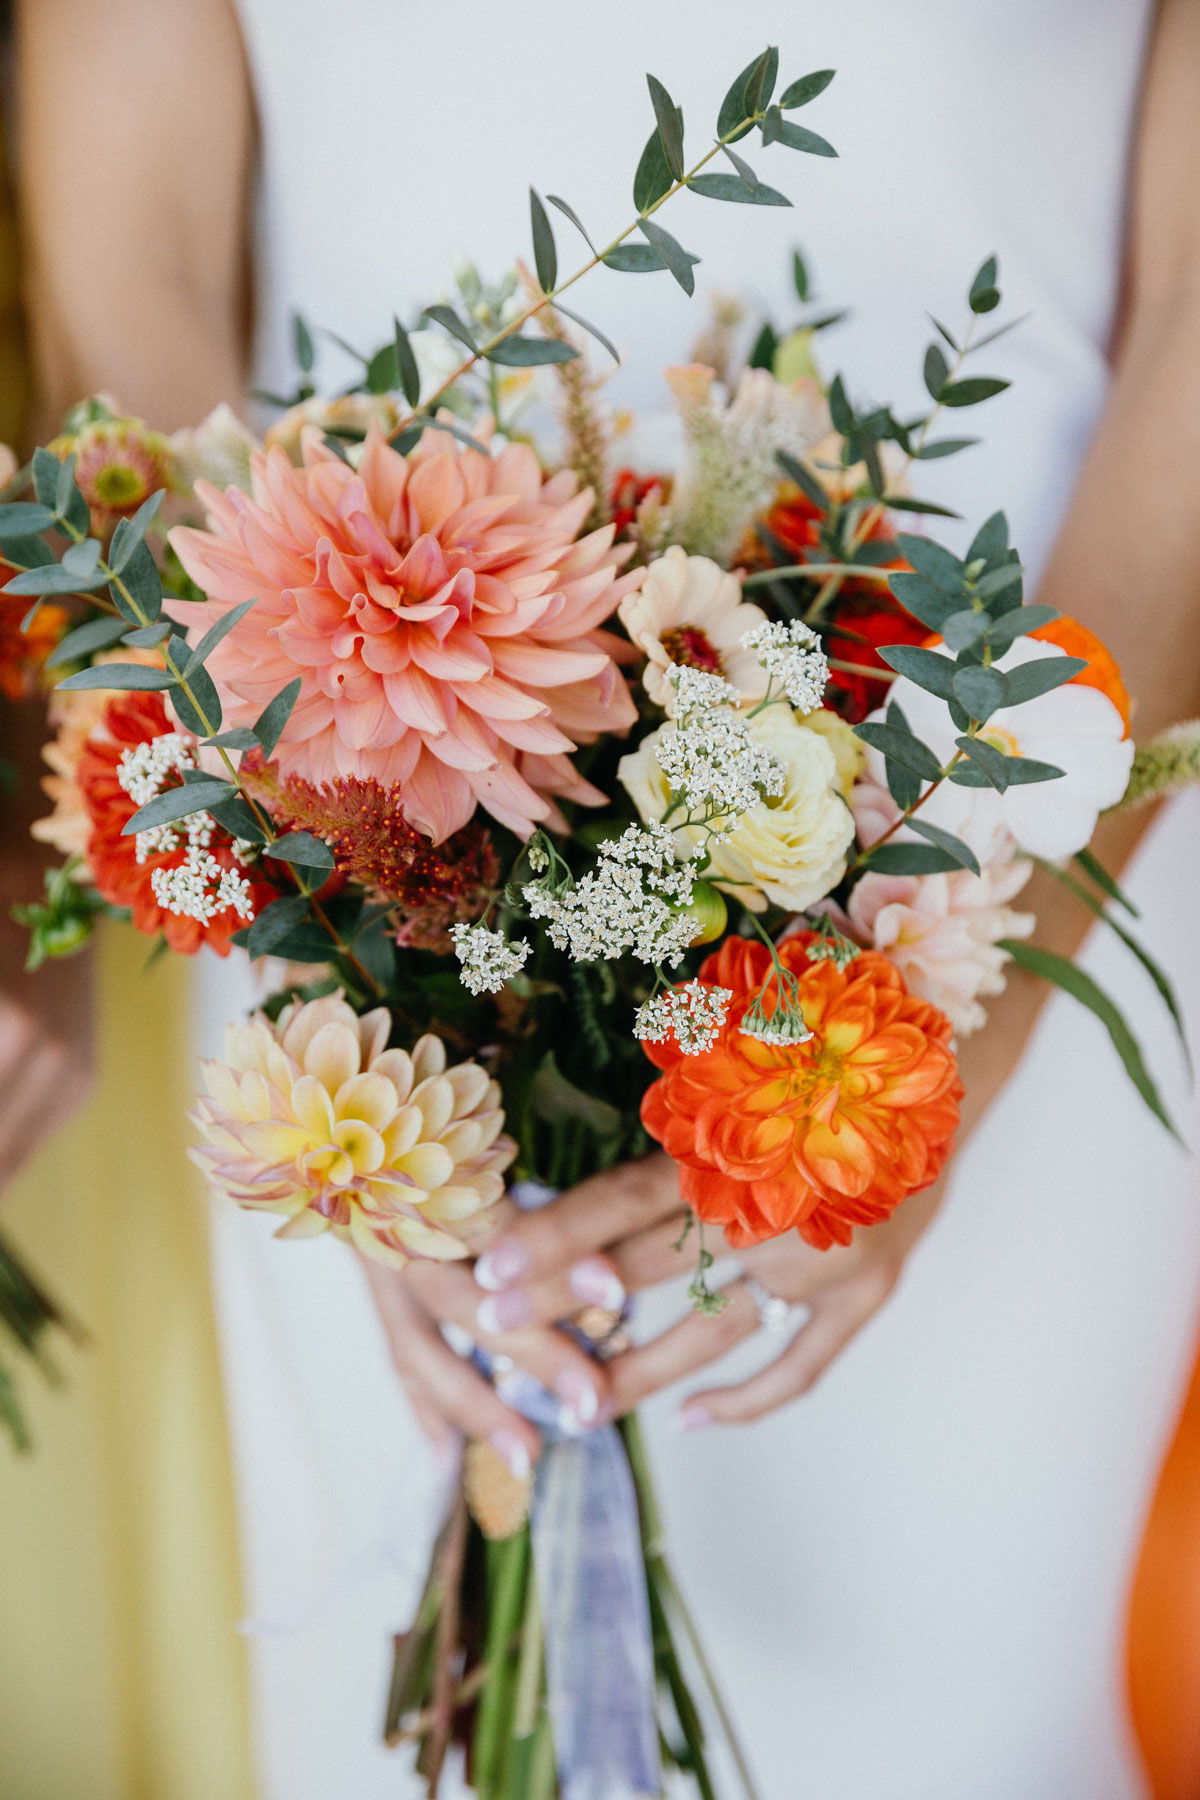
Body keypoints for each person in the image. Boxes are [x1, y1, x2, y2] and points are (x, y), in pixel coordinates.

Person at [11, 1, 1200, 1795]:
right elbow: (138, 273)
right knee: (372, 1704)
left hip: (1016, 827)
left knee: (958, 1696)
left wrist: (961, 1008)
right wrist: (340, 974)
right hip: (348, 835)